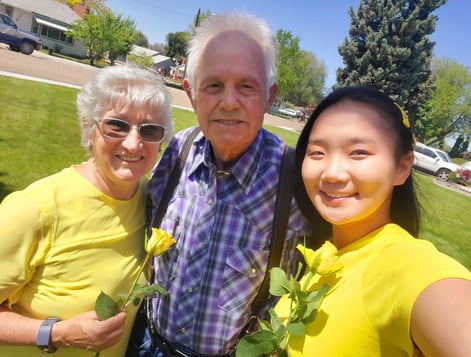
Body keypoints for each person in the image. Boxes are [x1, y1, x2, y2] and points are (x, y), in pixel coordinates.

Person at [135, 11, 312, 357]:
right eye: (213, 85)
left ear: (269, 96)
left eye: (246, 86)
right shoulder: (177, 152)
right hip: (149, 345)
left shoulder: (296, 180)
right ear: (191, 93)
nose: (229, 102)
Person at [275, 86, 471, 356]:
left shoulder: (402, 264)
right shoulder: (327, 252)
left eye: (358, 153)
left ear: (402, 167)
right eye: (317, 153)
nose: (332, 173)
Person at [0, 64, 173, 356]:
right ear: (88, 128)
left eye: (150, 130)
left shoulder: (153, 201)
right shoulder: (33, 209)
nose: (133, 143)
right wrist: (57, 333)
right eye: (116, 125)